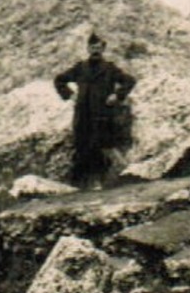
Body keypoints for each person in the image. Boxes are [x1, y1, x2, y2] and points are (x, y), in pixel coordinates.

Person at [54, 32, 137, 184]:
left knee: (105, 149)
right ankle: (82, 187)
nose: (95, 51)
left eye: (98, 48)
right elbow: (59, 80)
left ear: (103, 49)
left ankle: (116, 180)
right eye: (92, 47)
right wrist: (70, 95)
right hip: (83, 117)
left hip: (103, 116)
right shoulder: (80, 68)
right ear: (87, 48)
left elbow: (129, 81)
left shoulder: (110, 69)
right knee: (82, 150)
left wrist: (117, 95)